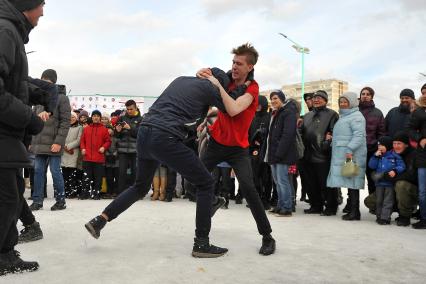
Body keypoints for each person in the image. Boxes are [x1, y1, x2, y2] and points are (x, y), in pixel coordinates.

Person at [85, 68, 243, 258]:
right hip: (165, 136)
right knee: (206, 183)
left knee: (140, 187)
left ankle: (100, 219)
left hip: (145, 133)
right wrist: (233, 87)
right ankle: (201, 243)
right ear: (216, 83)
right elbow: (231, 108)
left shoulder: (180, 79)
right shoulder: (210, 89)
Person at [196, 43, 275, 255]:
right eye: (233, 62)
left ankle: (267, 236)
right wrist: (202, 74)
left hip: (238, 149)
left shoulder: (253, 89)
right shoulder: (227, 80)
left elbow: (233, 109)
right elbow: (207, 81)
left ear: (250, 67)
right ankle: (214, 201)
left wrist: (216, 85)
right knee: (194, 178)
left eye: (239, 63)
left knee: (249, 190)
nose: (234, 67)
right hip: (216, 143)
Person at [0, 0, 49, 275]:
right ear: (25, 7)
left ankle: (6, 254)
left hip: (7, 135)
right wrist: (29, 119)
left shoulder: (11, 32)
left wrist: (37, 93)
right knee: (7, 198)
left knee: (13, 195)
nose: (43, 11)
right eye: (40, 5)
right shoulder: (5, 31)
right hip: (3, 133)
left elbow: (13, 83)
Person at [29, 69, 71, 211]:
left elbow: (65, 122)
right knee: (38, 171)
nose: (43, 84)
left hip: (54, 143)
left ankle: (61, 200)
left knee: (55, 171)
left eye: (47, 82)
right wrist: (31, 141)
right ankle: (37, 200)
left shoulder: (61, 98)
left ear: (53, 82)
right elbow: (34, 121)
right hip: (39, 143)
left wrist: (58, 142)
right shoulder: (38, 98)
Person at [326, 92, 367, 221]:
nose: (343, 104)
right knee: (350, 180)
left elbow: (359, 135)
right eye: (341, 102)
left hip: (352, 154)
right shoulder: (345, 116)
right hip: (345, 152)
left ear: (353, 103)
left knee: (353, 181)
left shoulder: (356, 117)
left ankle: (355, 212)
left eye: (345, 102)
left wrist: (350, 149)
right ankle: (352, 210)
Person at [301, 90, 339, 215]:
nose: (316, 100)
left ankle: (331, 207)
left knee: (326, 183)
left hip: (323, 155)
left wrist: (326, 145)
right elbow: (302, 132)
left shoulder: (332, 114)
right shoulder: (307, 116)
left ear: (325, 100)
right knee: (311, 183)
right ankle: (316, 205)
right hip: (307, 154)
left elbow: (334, 132)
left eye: (320, 98)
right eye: (315, 98)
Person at [266, 90, 297, 217]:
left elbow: (287, 135)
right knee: (277, 181)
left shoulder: (288, 113)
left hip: (282, 154)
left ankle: (287, 207)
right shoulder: (276, 113)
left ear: (282, 99)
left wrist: (279, 153)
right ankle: (280, 205)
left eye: (276, 98)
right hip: (274, 154)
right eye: (272, 99)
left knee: (283, 181)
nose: (273, 101)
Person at [368, 136, 405, 225]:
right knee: (379, 200)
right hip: (379, 183)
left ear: (388, 146)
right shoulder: (377, 155)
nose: (380, 147)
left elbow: (402, 166)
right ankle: (379, 216)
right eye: (379, 145)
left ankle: (385, 218)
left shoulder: (394, 155)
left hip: (389, 183)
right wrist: (375, 157)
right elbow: (371, 166)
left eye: (382, 146)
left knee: (388, 201)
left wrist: (395, 171)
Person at [358, 87, 386, 196]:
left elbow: (382, 133)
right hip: (354, 151)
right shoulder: (354, 111)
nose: (365, 96)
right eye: (363, 94)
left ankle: (373, 204)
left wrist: (378, 147)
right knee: (351, 177)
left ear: (371, 97)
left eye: (368, 94)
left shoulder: (378, 113)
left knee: (372, 179)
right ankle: (351, 205)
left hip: (371, 151)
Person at [80, 110, 111, 200]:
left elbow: (108, 141)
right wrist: (83, 148)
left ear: (100, 118)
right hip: (87, 157)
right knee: (86, 176)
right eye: (94, 116)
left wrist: (104, 147)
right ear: (91, 117)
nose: (96, 117)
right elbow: (82, 141)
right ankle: (85, 193)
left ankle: (96, 193)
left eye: (97, 116)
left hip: (99, 158)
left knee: (98, 177)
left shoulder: (104, 129)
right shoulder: (87, 129)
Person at [248, 95, 272, 209]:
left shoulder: (269, 117)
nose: (257, 106)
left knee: (266, 177)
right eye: (255, 104)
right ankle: (256, 200)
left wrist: (262, 140)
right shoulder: (252, 117)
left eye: (259, 104)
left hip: (265, 151)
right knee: (254, 176)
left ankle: (266, 199)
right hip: (252, 151)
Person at [115, 100, 142, 194]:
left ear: (136, 108)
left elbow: (140, 134)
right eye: (128, 109)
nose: (129, 111)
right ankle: (121, 193)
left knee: (135, 173)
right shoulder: (121, 118)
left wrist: (129, 128)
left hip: (135, 150)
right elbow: (117, 136)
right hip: (123, 150)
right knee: (121, 172)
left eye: (131, 109)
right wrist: (117, 131)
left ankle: (135, 193)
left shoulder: (141, 119)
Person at [408, 87, 426, 229]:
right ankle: (424, 218)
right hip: (423, 156)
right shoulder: (419, 112)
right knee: (423, 191)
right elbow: (411, 129)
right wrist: (420, 138)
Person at [61, 111, 83, 198]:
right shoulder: (64, 127)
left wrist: (68, 146)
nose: (71, 118)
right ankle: (66, 190)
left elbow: (79, 140)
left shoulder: (79, 127)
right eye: (70, 117)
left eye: (73, 117)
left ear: (76, 118)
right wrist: (64, 146)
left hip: (73, 152)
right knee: (64, 173)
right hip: (64, 152)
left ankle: (73, 191)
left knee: (72, 174)